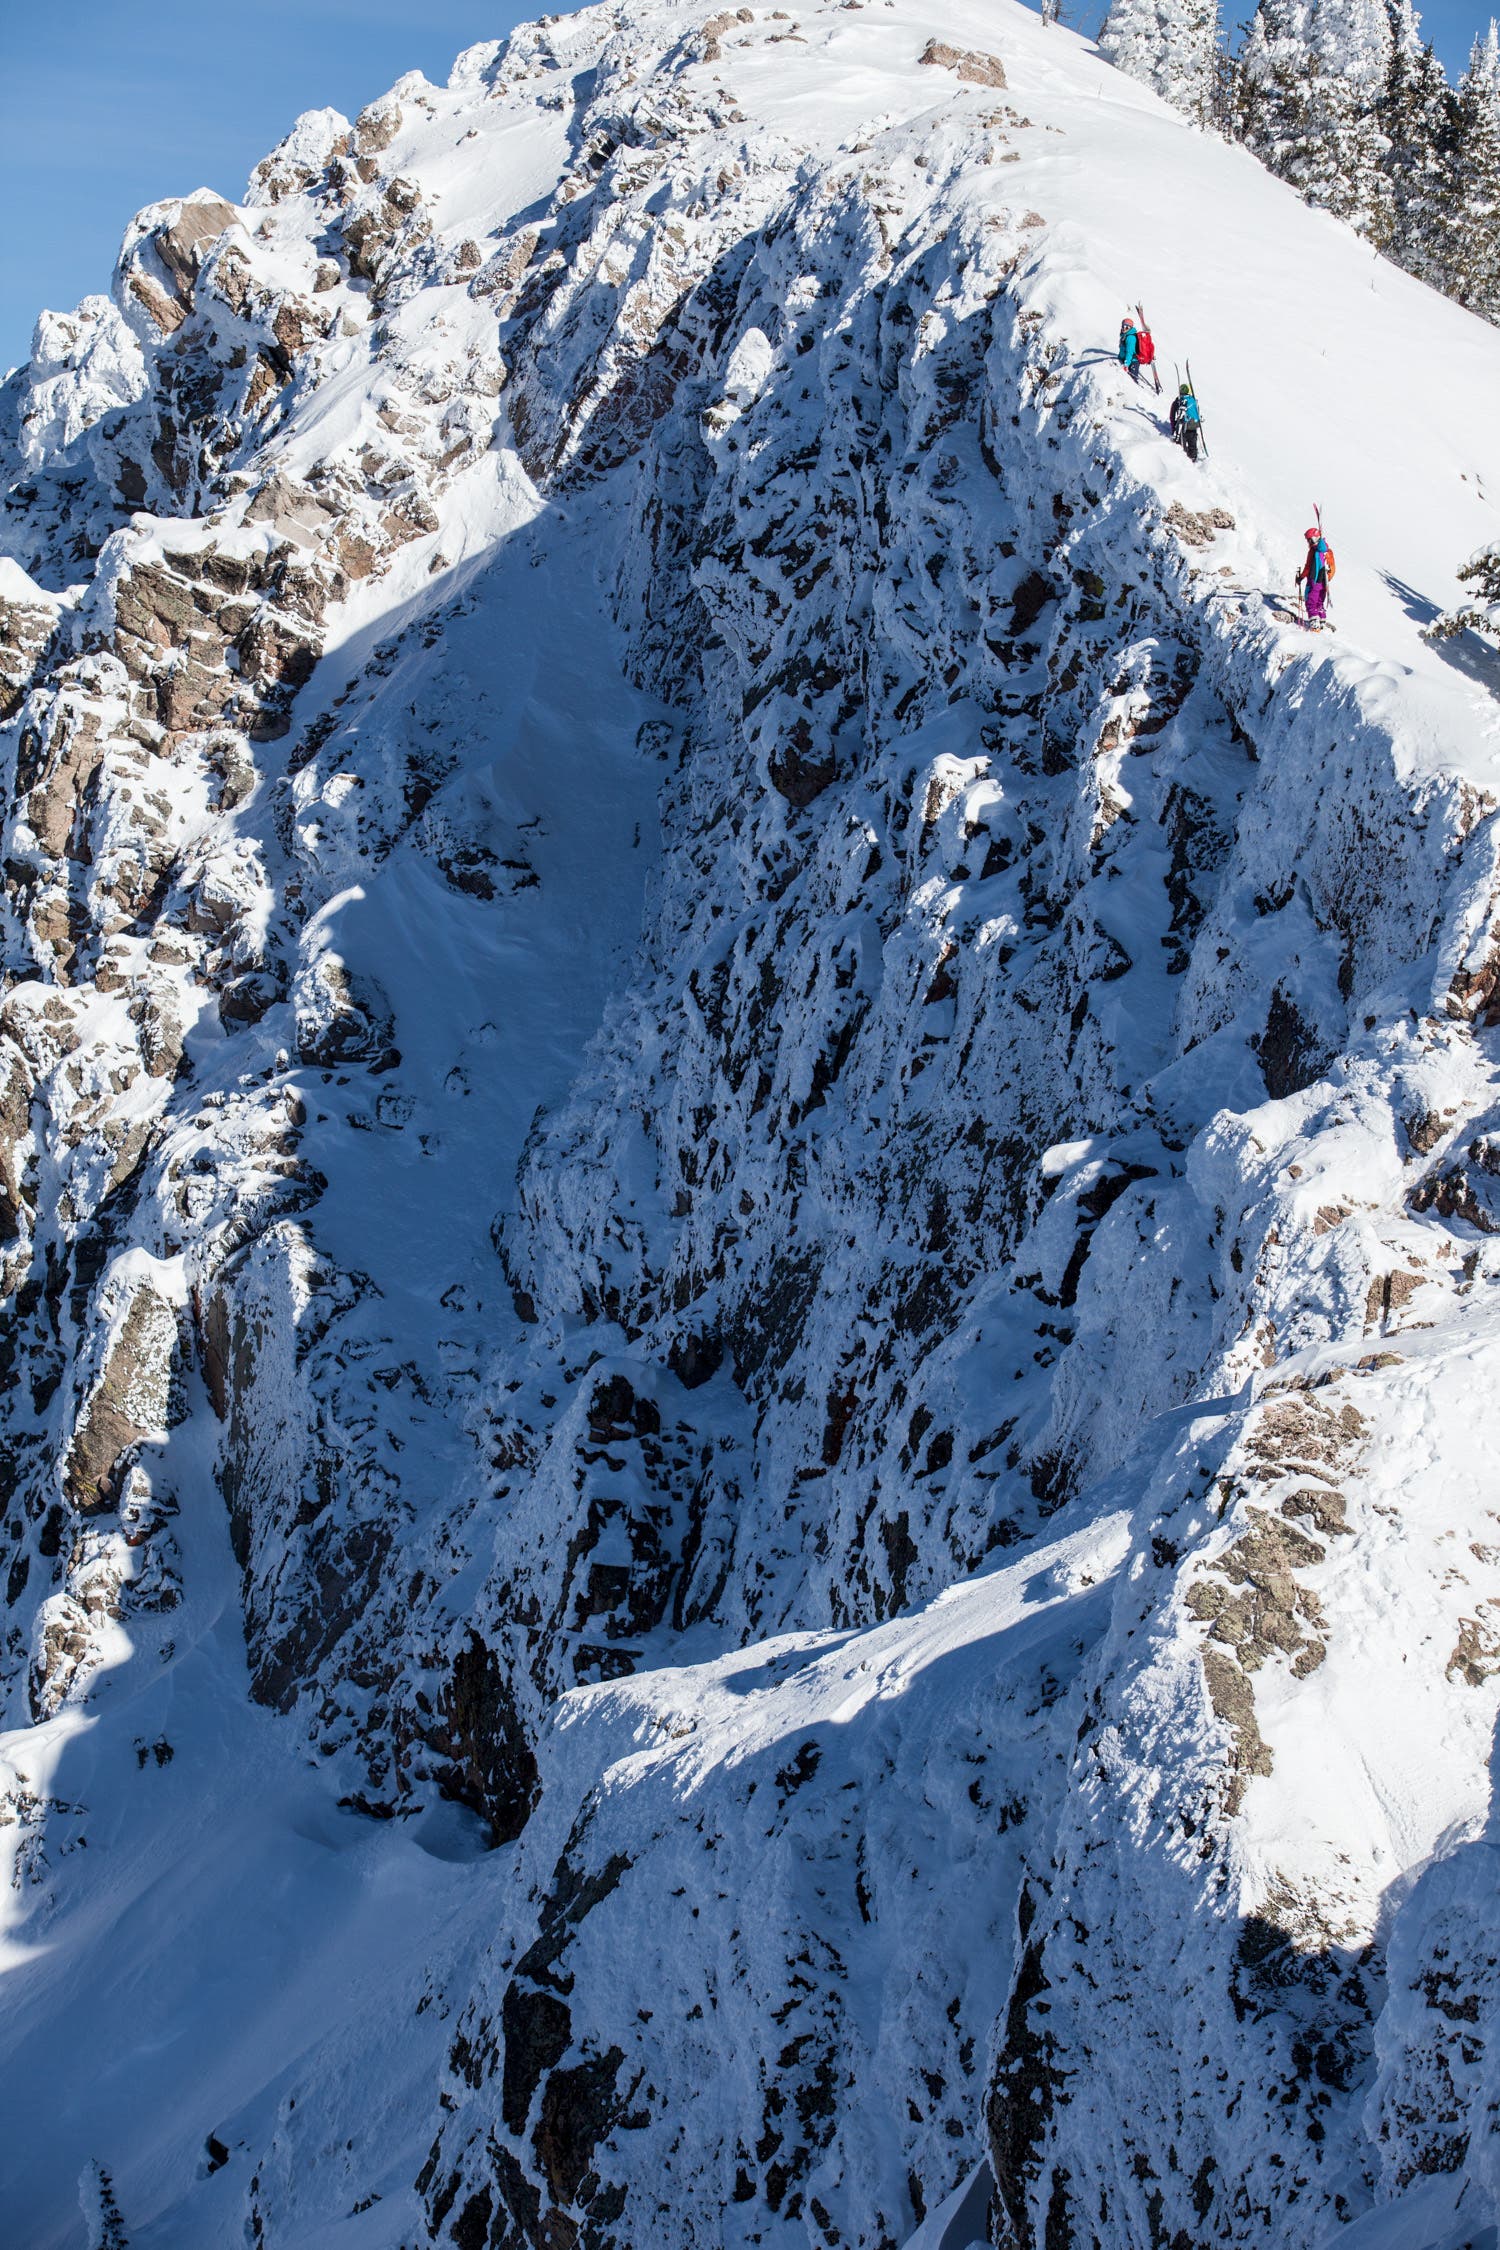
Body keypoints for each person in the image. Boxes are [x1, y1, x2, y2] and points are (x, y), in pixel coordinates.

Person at [1297, 525, 1336, 629]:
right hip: (1324, 582)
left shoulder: (1318, 550)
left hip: (1315, 580)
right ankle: (1321, 620)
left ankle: (1314, 623)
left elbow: (1308, 566)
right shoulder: (1326, 551)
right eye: (1308, 540)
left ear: (1315, 538)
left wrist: (1301, 577)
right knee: (1319, 602)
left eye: (1310, 540)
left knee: (1311, 600)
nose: (1309, 542)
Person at [1169, 382, 1202, 462]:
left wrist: (1174, 429)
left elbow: (1172, 416)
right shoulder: (1193, 400)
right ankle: (1193, 457)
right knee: (1192, 441)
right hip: (1194, 424)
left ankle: (1184, 461)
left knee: (1181, 445)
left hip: (1184, 426)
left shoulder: (1179, 401)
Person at [1134, 320, 1161, 394]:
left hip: (1141, 358)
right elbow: (1151, 348)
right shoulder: (1146, 339)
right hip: (1145, 358)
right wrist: (1151, 357)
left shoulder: (1141, 338)